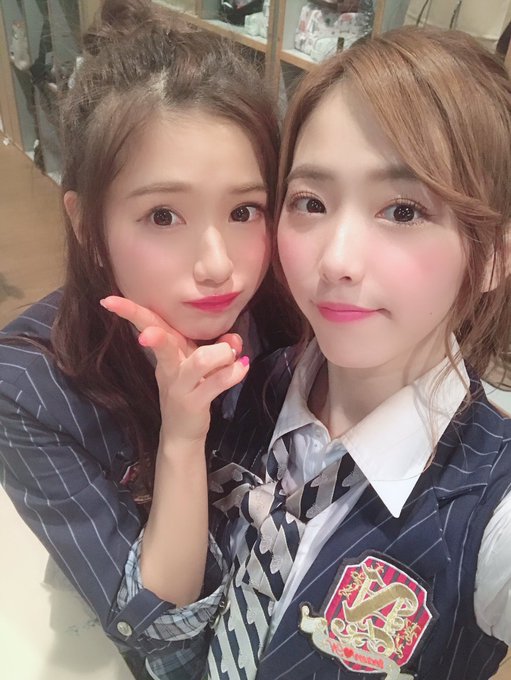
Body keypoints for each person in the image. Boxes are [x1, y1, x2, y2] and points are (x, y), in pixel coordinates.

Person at [179, 25, 511, 679]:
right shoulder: (249, 385)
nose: (335, 260)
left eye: (403, 211)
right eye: (310, 202)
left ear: (494, 256)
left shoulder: (492, 509)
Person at [0, 1, 299, 679]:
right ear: (87, 224)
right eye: (163, 215)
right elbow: (159, 627)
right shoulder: (32, 386)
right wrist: (182, 438)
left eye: (244, 209)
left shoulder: (284, 310)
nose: (218, 265)